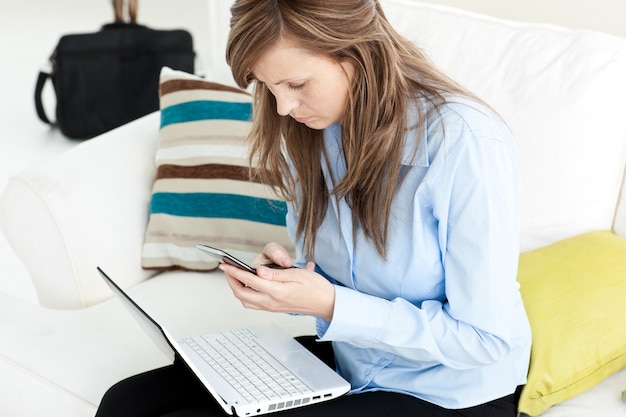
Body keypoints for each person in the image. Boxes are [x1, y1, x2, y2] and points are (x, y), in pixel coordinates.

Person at [95, 0, 532, 416]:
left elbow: (484, 339)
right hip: (353, 366)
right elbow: (346, 282)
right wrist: (291, 285)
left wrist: (331, 304)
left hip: (450, 392)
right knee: (126, 402)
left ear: (358, 54)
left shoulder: (465, 143)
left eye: (296, 85)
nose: (283, 107)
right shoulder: (314, 131)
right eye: (269, 86)